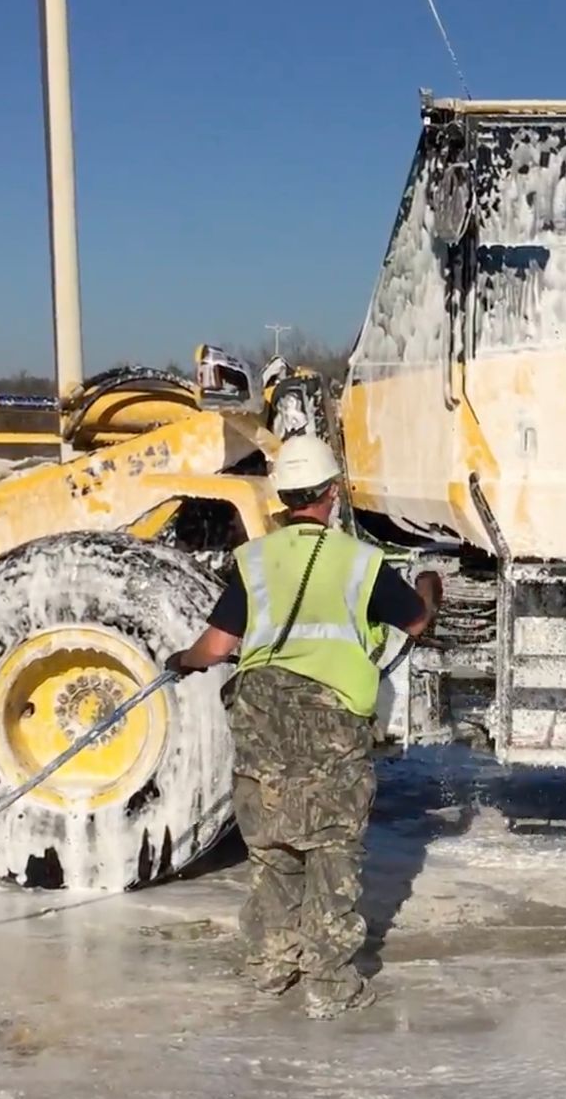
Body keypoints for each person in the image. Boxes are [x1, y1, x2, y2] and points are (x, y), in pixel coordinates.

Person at [168, 434, 440, 1019]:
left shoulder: (255, 561)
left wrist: (183, 661)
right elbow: (416, 622)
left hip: (261, 714)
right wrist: (426, 588)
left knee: (272, 843)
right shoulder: (360, 563)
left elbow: (217, 646)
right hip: (330, 716)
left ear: (285, 497)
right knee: (332, 848)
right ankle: (330, 982)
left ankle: (271, 963)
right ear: (333, 494)